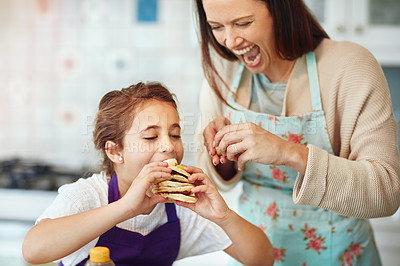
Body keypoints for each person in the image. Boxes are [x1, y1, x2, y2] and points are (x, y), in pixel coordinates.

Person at [194, 0, 400, 265]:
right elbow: (214, 178)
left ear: (281, 9)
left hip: (338, 253)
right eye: (216, 27)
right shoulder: (222, 71)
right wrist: (222, 155)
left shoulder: (350, 66)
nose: (230, 41)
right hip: (255, 253)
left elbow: (387, 193)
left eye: (243, 23)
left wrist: (287, 152)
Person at [22, 82, 274, 266]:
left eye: (175, 134)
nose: (168, 146)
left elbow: (262, 259)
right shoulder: (87, 197)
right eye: (151, 136)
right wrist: (126, 207)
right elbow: (33, 250)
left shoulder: (184, 205)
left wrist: (224, 217)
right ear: (114, 151)